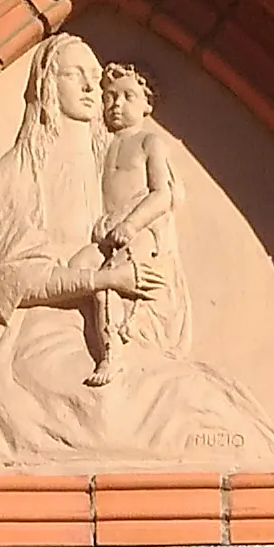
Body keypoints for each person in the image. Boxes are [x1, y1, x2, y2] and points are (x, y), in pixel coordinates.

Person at [0, 30, 274, 471]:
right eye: (77, 75)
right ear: (46, 84)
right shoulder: (14, 173)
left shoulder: (110, 162)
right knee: (117, 406)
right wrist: (103, 280)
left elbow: (160, 204)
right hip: (35, 341)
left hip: (123, 325)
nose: (93, 88)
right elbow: (5, 285)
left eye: (95, 78)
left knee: (186, 392)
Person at [88, 61, 187, 383]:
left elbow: (162, 194)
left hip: (141, 228)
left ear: (147, 104)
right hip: (107, 231)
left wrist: (130, 225)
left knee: (112, 282)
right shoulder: (102, 144)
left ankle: (113, 354)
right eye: (110, 97)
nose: (117, 105)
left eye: (128, 96)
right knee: (84, 271)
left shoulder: (149, 142)